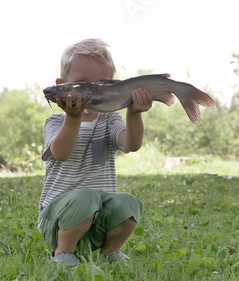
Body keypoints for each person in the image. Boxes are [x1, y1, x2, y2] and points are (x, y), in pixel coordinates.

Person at [38, 38, 152, 266]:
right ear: (62, 84)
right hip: (58, 220)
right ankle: (63, 253)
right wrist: (73, 118)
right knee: (86, 197)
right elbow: (61, 153)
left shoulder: (109, 119)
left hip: (98, 218)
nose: (92, 91)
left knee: (128, 204)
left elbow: (131, 144)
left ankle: (109, 252)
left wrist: (134, 113)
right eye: (82, 83)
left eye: (101, 83)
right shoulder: (55, 121)